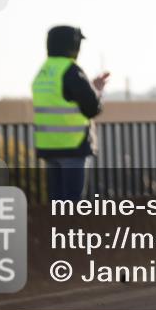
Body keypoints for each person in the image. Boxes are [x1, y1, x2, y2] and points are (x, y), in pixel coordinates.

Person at [31, 25, 109, 201]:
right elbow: (92, 108)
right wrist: (97, 91)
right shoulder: (71, 70)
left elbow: (62, 97)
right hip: (73, 147)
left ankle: (54, 229)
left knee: (56, 204)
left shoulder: (44, 72)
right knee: (73, 206)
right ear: (74, 46)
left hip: (49, 147)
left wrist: (90, 86)